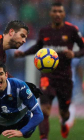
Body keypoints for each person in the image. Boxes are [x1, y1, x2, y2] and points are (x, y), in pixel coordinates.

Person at [14, 2, 84, 140]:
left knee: (64, 112)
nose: (57, 14)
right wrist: (24, 53)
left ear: (64, 14)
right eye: (54, 11)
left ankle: (64, 121)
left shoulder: (72, 30)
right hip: (47, 76)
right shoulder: (44, 31)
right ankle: (43, 137)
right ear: (50, 14)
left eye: (60, 11)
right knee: (44, 109)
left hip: (65, 77)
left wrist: (74, 54)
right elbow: (37, 47)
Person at [0, 60, 44, 140]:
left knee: (27, 134)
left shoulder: (20, 87)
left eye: (0, 74)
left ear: (6, 75)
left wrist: (22, 132)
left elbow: (39, 114)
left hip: (22, 118)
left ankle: (27, 116)